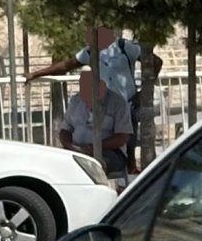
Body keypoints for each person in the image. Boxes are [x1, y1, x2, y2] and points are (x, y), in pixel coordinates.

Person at [28, 27, 163, 169]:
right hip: (102, 103)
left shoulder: (125, 47)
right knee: (101, 140)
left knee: (128, 137)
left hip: (126, 100)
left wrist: (145, 90)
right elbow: (65, 66)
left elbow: (156, 61)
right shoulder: (90, 51)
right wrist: (36, 74)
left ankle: (131, 167)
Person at [60, 72, 133, 184]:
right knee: (56, 163)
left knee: (93, 166)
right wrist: (68, 145)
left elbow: (123, 136)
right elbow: (65, 129)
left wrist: (96, 146)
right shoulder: (76, 100)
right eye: (82, 86)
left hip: (109, 152)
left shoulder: (117, 102)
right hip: (77, 149)